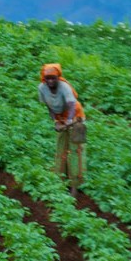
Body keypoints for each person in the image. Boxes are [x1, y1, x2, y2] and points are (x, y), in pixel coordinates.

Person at [39, 63, 87, 191]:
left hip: (76, 117)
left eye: (53, 78)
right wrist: (56, 121)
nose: (50, 81)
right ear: (44, 78)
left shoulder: (64, 87)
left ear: (58, 77)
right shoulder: (42, 88)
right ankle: (60, 180)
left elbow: (71, 105)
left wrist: (69, 121)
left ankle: (76, 184)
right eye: (47, 78)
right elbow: (49, 106)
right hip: (60, 118)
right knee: (61, 148)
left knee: (76, 149)